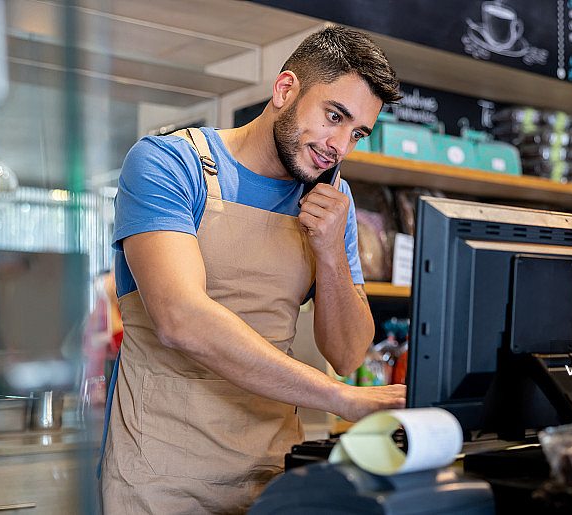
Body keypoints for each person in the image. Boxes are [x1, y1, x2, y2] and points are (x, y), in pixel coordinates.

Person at [100, 26, 405, 513]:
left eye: (357, 133)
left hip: (273, 475)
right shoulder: (169, 164)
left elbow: (347, 354)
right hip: (160, 479)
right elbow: (181, 318)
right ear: (286, 90)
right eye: (334, 116)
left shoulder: (332, 200)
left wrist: (329, 251)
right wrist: (339, 398)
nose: (340, 145)